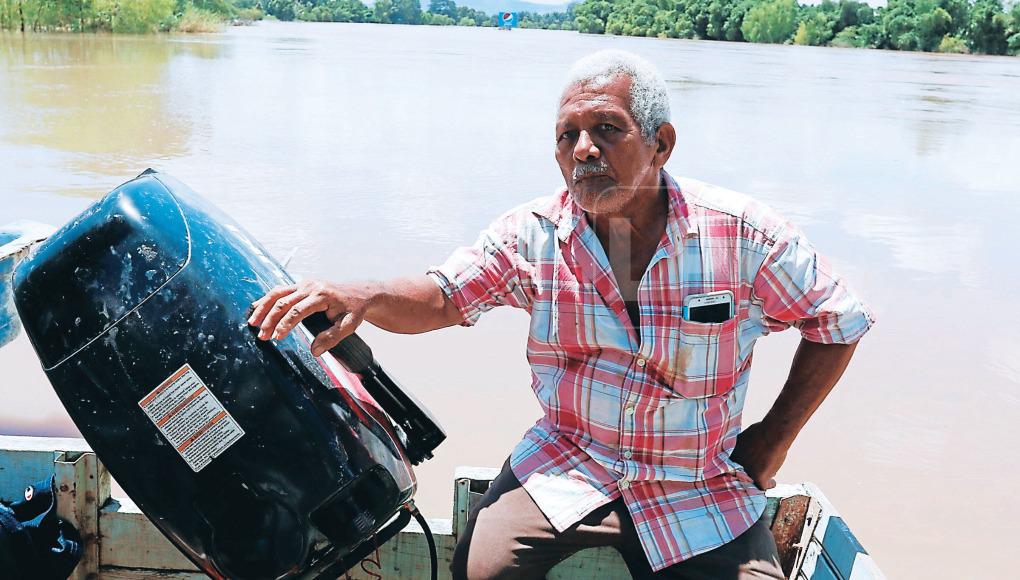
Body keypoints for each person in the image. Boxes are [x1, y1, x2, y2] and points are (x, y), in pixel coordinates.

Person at [247, 50, 875, 580]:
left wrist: (771, 441)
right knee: (478, 572)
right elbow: (443, 297)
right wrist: (363, 295)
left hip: (698, 482)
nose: (583, 150)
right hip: (569, 462)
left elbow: (838, 320)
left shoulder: (740, 236)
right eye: (566, 135)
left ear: (660, 143)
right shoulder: (533, 235)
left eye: (608, 129)